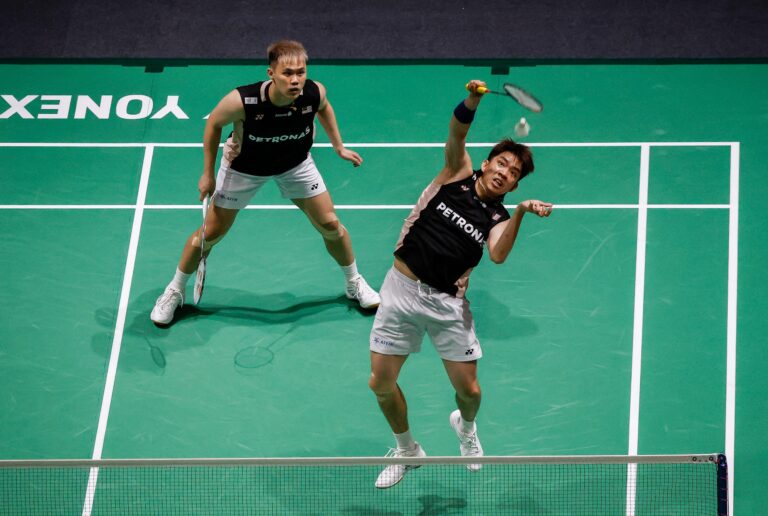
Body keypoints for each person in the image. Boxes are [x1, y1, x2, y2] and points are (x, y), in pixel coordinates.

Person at [368, 80, 553, 489]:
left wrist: (521, 213)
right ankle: (407, 450)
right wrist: (472, 100)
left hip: (446, 305)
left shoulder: (498, 217)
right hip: (400, 290)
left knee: (469, 391)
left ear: (515, 186)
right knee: (380, 383)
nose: (505, 173)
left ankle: (465, 428)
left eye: (514, 174)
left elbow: (498, 254)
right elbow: (457, 132)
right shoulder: (456, 173)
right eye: (502, 164)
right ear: (486, 163)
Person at [151, 40, 380, 325]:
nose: (295, 80)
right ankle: (174, 290)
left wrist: (339, 146)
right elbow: (213, 125)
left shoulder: (313, 92)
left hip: (295, 164)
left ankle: (353, 282)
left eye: (300, 72)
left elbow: (324, 107)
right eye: (287, 73)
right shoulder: (242, 101)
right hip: (244, 168)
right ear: (271, 73)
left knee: (331, 224)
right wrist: (207, 173)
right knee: (211, 234)